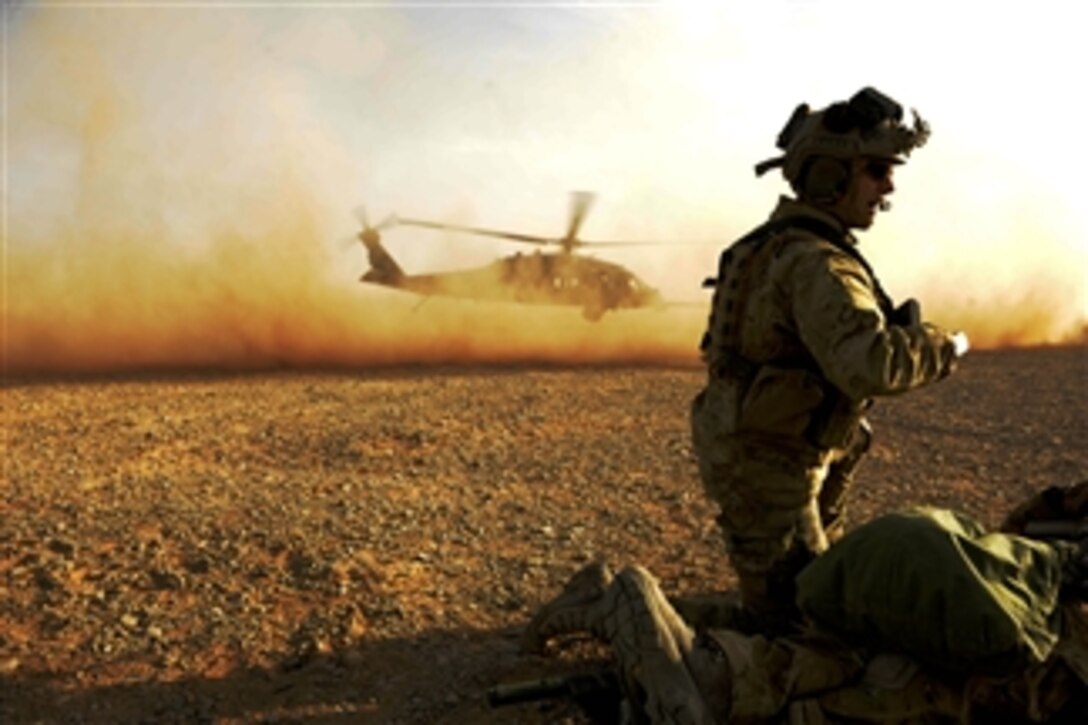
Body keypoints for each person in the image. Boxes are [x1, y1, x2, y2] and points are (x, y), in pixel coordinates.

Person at [691, 87, 969, 632]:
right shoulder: (817, 262)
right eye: (876, 170)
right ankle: (625, 610)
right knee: (800, 632)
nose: (888, 187)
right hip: (770, 471)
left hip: (770, 454)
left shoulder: (776, 244)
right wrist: (946, 345)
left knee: (817, 595)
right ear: (827, 177)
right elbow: (870, 364)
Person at [519, 482, 1088, 723]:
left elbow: (1028, 525)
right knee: (921, 689)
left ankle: (639, 613)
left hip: (1007, 595)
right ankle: (712, 678)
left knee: (828, 636)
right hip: (1042, 643)